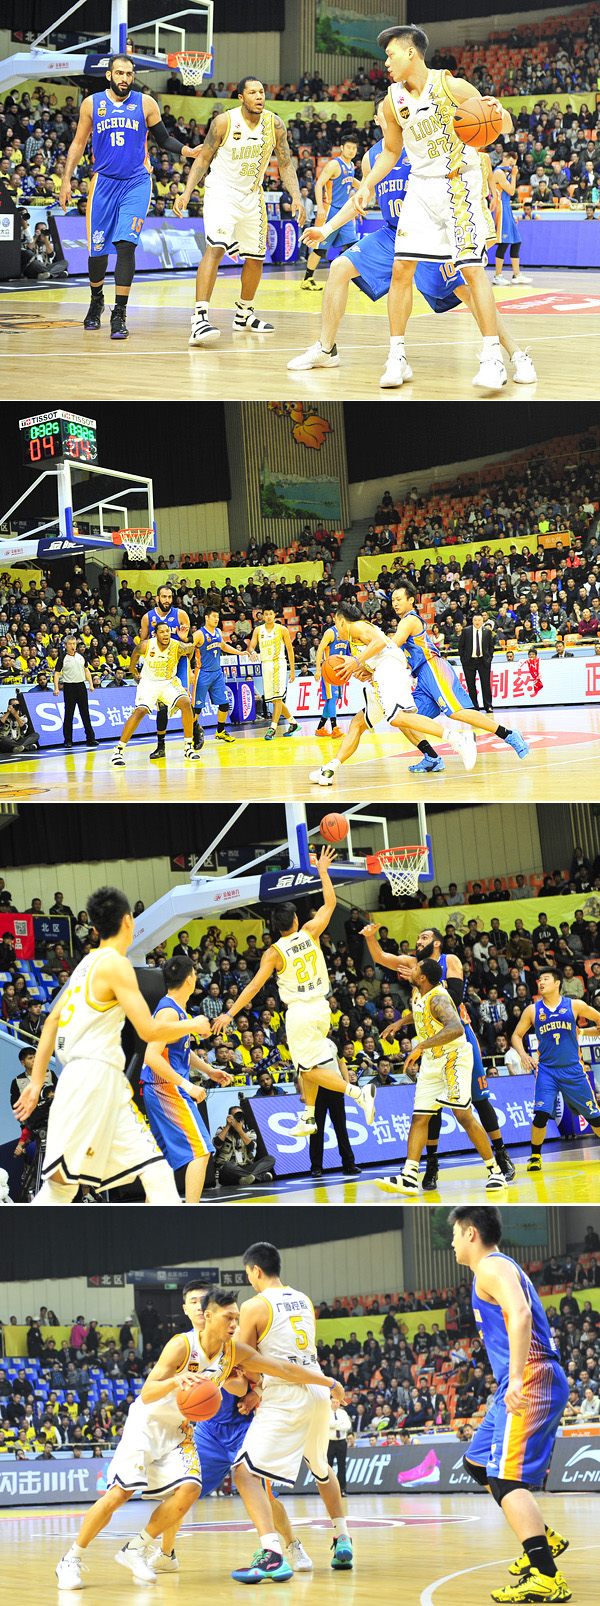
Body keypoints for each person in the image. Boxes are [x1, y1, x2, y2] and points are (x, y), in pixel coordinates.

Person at [55, 1278, 339, 1588]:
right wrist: (175, 1381)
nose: (235, 1324)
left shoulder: (233, 1351)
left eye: (236, 1318)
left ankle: (136, 1549)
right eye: (228, 1318)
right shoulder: (181, 1345)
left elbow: (281, 1369)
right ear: (208, 1315)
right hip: (147, 1425)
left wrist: (329, 1382)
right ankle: (71, 1559)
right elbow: (147, 1393)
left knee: (190, 1489)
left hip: (182, 1430)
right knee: (119, 1494)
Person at [289, 95, 535, 385]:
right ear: (378, 119)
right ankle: (326, 349)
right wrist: (327, 228)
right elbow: (361, 198)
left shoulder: (424, 141)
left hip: (431, 233)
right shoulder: (371, 158)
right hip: (394, 233)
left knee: (468, 291)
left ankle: (516, 354)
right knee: (339, 267)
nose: (394, 116)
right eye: (387, 113)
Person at [12, 886, 202, 1205]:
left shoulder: (85, 964)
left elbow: (51, 1021)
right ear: (129, 921)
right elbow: (148, 1028)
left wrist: (35, 1082)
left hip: (85, 1080)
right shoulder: (116, 964)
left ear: (96, 926)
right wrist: (194, 1024)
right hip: (95, 1078)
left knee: (70, 1187)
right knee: (149, 1175)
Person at [353, 26, 515, 392]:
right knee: (401, 269)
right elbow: (391, 151)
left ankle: (493, 358)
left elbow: (501, 125)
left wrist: (498, 112)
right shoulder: (391, 101)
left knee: (472, 271)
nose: (386, 62)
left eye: (390, 54)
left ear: (411, 52)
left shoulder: (452, 86)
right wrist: (367, 183)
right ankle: (397, 357)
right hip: (421, 187)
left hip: (459, 184)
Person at [450, 1205, 570, 1603]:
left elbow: (519, 1312)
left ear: (470, 1233)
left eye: (455, 1234)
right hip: (520, 1380)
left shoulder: (491, 1266)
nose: (452, 1242)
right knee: (477, 1464)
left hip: (531, 1375)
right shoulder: (494, 1269)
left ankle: (546, 1577)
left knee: (505, 1480)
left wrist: (516, 1377)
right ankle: (542, 1537)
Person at [213, 846, 376, 1137]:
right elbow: (330, 903)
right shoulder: (311, 931)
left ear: (274, 928)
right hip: (323, 1008)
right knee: (305, 1066)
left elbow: (253, 986)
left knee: (308, 1069)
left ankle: (357, 1092)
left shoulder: (273, 953)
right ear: (296, 920)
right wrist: (323, 871)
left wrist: (229, 1013)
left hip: (300, 1012)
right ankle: (309, 1117)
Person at [231, 1241, 352, 1582]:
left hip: (287, 1394)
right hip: (317, 1390)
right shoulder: (303, 1299)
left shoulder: (254, 1306)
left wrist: (251, 1386)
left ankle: (272, 1553)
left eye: (248, 1274)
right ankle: (342, 1537)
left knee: (244, 1473)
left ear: (255, 1270)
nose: (249, 1280)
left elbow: (247, 1360)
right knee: (321, 1469)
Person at [59, 53, 198, 338]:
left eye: (129, 74)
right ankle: (96, 300)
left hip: (136, 182)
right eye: (120, 73)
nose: (125, 78)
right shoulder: (92, 103)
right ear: (109, 75)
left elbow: (163, 139)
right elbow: (78, 143)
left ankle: (119, 313)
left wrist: (187, 150)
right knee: (97, 252)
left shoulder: (146, 103)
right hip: (103, 183)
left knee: (126, 246)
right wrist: (66, 180)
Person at [374, 925, 515, 1185]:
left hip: (456, 1043)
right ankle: (421, 1169)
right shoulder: (418, 979)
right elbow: (382, 959)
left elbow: (454, 1001)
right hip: (432, 1050)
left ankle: (499, 1159)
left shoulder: (447, 964)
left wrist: (422, 984)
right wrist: (401, 1021)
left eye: (424, 937)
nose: (418, 942)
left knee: (473, 1104)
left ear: (436, 943)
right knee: (425, 1113)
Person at [174, 77, 305, 344]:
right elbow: (204, 158)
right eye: (253, 92)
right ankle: (199, 319)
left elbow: (285, 163)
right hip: (222, 191)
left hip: (252, 195)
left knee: (256, 257)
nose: (259, 96)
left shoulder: (274, 124)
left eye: (262, 92)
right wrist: (187, 191)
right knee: (216, 248)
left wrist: (296, 196)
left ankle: (244, 314)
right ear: (241, 98)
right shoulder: (224, 122)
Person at [309, 600, 477, 788]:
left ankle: (458, 739)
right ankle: (330, 768)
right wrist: (365, 668)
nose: (335, 630)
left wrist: (356, 661)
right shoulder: (357, 633)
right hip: (381, 675)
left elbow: (379, 642)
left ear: (341, 621)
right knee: (357, 724)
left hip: (389, 670)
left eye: (335, 624)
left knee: (398, 718)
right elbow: (377, 651)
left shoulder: (355, 627)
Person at [391, 582, 529, 772]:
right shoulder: (404, 622)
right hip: (421, 675)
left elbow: (391, 646)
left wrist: (363, 658)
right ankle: (431, 757)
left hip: (432, 668)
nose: (395, 603)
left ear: (411, 600)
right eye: (393, 600)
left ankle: (509, 734)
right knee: (403, 718)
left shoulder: (409, 620)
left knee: (456, 712)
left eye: (399, 599)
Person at [140, 955, 234, 1203]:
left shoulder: (176, 1009)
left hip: (159, 1087)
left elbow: (180, 1050)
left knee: (163, 1162)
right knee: (201, 1152)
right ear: (189, 979)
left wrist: (209, 1071)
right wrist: (188, 1085)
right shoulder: (168, 1013)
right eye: (195, 973)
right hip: (165, 1086)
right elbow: (151, 1056)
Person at [511, 966, 600, 1172]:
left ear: (557, 983)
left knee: (594, 1117)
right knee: (541, 1115)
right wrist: (523, 1055)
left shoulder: (575, 1005)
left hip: (573, 1070)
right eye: (539, 980)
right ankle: (535, 1156)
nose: (541, 982)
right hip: (547, 1071)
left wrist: (584, 1031)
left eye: (546, 979)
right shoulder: (532, 1010)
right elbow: (516, 1035)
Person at [111, 623, 198, 768]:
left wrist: (188, 665)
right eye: (162, 632)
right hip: (149, 683)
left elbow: (191, 648)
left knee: (186, 703)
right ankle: (118, 751)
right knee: (140, 711)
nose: (165, 634)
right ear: (155, 634)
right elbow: (135, 655)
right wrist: (133, 671)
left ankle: (188, 747)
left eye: (167, 631)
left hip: (168, 682)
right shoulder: (145, 645)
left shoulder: (177, 646)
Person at [128, 584, 190, 762]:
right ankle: (161, 746)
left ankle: (193, 736)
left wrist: (184, 638)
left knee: (185, 701)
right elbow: (143, 643)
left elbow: (188, 643)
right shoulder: (148, 617)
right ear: (157, 598)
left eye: (170, 597)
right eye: (164, 597)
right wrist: (141, 669)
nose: (167, 600)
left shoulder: (181, 614)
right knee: (162, 707)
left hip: (179, 662)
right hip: (159, 666)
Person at [301, 135, 359, 291]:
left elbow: (352, 181)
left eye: (354, 148)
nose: (351, 150)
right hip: (330, 209)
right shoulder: (334, 164)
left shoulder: (351, 166)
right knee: (320, 248)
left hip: (345, 212)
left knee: (354, 245)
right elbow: (319, 184)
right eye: (348, 147)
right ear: (341, 148)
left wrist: (368, 188)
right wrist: (320, 207)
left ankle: (357, 278)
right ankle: (307, 279)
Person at [191, 608, 243, 748]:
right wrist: (189, 671)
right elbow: (187, 651)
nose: (216, 619)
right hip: (202, 673)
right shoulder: (199, 634)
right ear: (206, 617)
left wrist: (239, 653)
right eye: (214, 616)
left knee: (224, 704)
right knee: (197, 708)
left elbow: (223, 646)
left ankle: (220, 731)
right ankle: (195, 735)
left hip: (217, 673)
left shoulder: (218, 632)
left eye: (218, 617)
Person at [246, 607, 298, 742]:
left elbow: (290, 650)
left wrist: (292, 670)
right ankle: (293, 723)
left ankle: (273, 728)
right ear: (262, 616)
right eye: (266, 614)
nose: (269, 616)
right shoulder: (258, 630)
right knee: (274, 699)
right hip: (265, 664)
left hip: (278, 663)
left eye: (271, 614)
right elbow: (251, 647)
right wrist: (253, 652)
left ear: (275, 615)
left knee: (278, 697)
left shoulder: (282, 629)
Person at [492, 154, 533, 288]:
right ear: (504, 159)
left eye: (513, 164)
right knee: (504, 243)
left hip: (506, 208)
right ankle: (498, 276)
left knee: (516, 241)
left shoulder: (505, 172)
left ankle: (516, 274)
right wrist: (514, 175)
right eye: (510, 162)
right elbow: (511, 191)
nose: (511, 165)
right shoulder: (498, 172)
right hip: (501, 207)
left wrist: (511, 214)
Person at [53, 637, 97, 748]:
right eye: (70, 644)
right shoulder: (62, 658)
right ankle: (68, 740)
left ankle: (91, 739)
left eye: (74, 643)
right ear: (65, 645)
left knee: (85, 713)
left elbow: (86, 670)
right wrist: (56, 688)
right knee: (69, 714)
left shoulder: (81, 656)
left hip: (81, 686)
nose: (73, 646)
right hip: (69, 687)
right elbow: (57, 673)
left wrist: (91, 684)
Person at [313, 623, 350, 738]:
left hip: (340, 670)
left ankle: (320, 728)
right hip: (329, 670)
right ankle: (334, 728)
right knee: (332, 698)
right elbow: (320, 650)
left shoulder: (347, 633)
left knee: (331, 700)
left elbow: (348, 653)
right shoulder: (331, 632)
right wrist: (318, 669)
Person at [458, 611, 496, 714]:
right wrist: (463, 659)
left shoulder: (487, 632)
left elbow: (491, 647)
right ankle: (474, 706)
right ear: (472, 621)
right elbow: (461, 646)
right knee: (471, 685)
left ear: (482, 621)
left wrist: (489, 658)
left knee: (486, 684)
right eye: (475, 620)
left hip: (483, 661)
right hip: (469, 662)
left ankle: (488, 706)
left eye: (479, 620)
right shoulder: (466, 631)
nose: (477, 622)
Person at [328, 1398, 353, 1494]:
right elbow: (327, 1424)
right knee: (328, 1466)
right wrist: (339, 1423)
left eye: (337, 1402)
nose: (335, 1404)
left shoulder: (343, 1413)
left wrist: (334, 1426)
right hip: (330, 1442)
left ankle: (342, 1489)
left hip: (341, 1442)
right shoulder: (326, 1412)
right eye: (333, 1402)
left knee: (341, 1466)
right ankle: (329, 1490)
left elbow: (347, 1426)